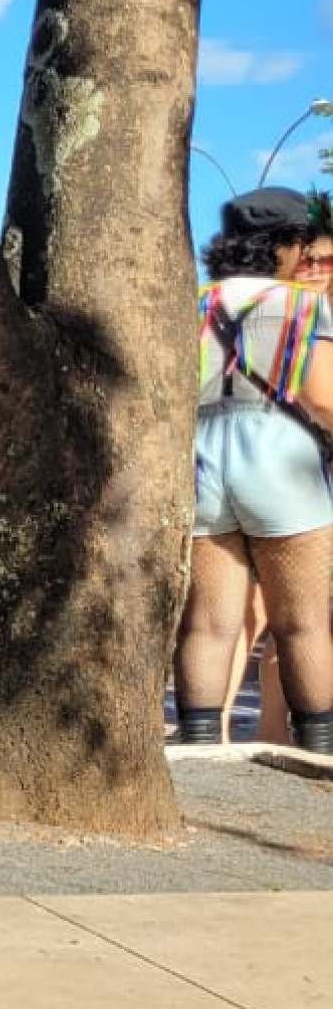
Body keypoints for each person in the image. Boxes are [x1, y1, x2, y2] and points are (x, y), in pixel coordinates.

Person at [174, 187, 333, 754]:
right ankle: (317, 747)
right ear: (285, 245)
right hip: (279, 453)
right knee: (303, 623)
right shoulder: (304, 306)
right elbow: (321, 395)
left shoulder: (191, 300)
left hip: (199, 454)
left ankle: (198, 747)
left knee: (209, 622)